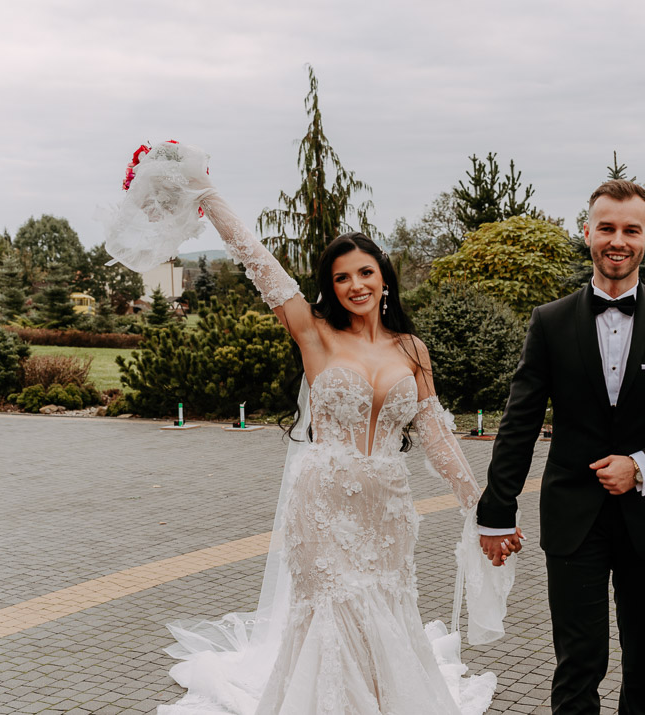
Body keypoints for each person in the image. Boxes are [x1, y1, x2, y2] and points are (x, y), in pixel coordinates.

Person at [102, 142, 515, 715]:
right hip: (323, 503)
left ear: (384, 277)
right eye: (342, 277)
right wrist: (206, 195)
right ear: (331, 286)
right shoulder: (314, 333)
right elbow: (257, 260)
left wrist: (483, 508)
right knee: (333, 611)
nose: (356, 285)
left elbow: (437, 434)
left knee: (387, 608)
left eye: (366, 272)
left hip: (389, 509)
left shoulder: (412, 349)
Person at [477, 179, 645, 714]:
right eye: (607, 228)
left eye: (631, 230)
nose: (618, 240)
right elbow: (519, 423)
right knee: (578, 662)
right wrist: (496, 511)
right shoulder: (550, 322)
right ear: (587, 231)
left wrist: (642, 464)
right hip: (573, 518)